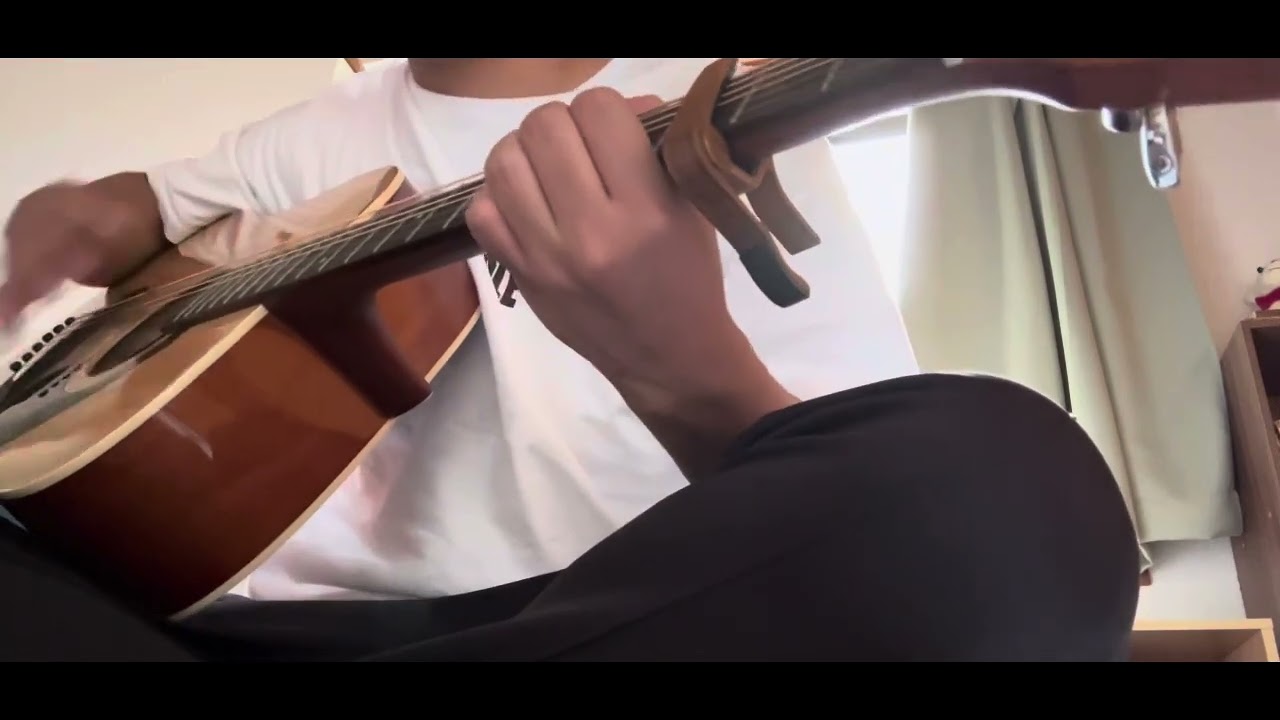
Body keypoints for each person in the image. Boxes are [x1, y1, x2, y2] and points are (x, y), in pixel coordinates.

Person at [0, 58, 1140, 661]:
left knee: (1006, 497)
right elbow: (149, 211)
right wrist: (92, 213)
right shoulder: (313, 133)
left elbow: (847, 511)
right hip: (245, 621)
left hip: (640, 611)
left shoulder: (726, 100)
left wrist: (682, 371)